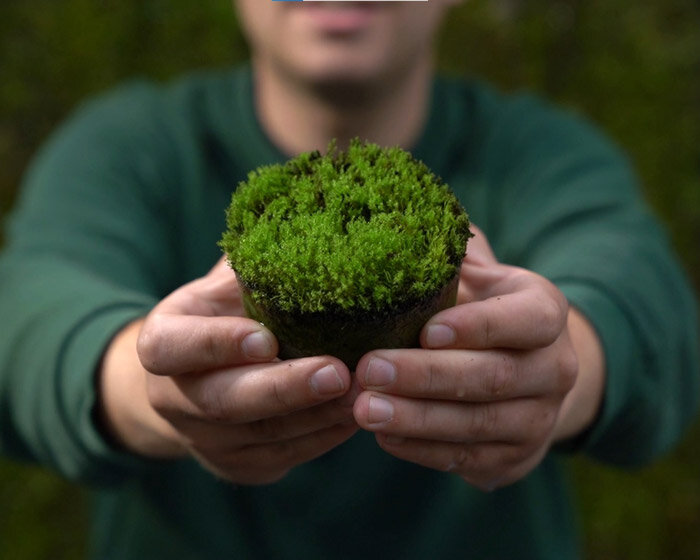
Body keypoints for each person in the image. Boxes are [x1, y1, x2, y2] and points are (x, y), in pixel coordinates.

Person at [0, 1, 698, 558]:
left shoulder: (538, 152)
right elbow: (29, 312)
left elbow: (641, 293)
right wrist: (148, 385)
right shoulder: (132, 147)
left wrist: (562, 361)